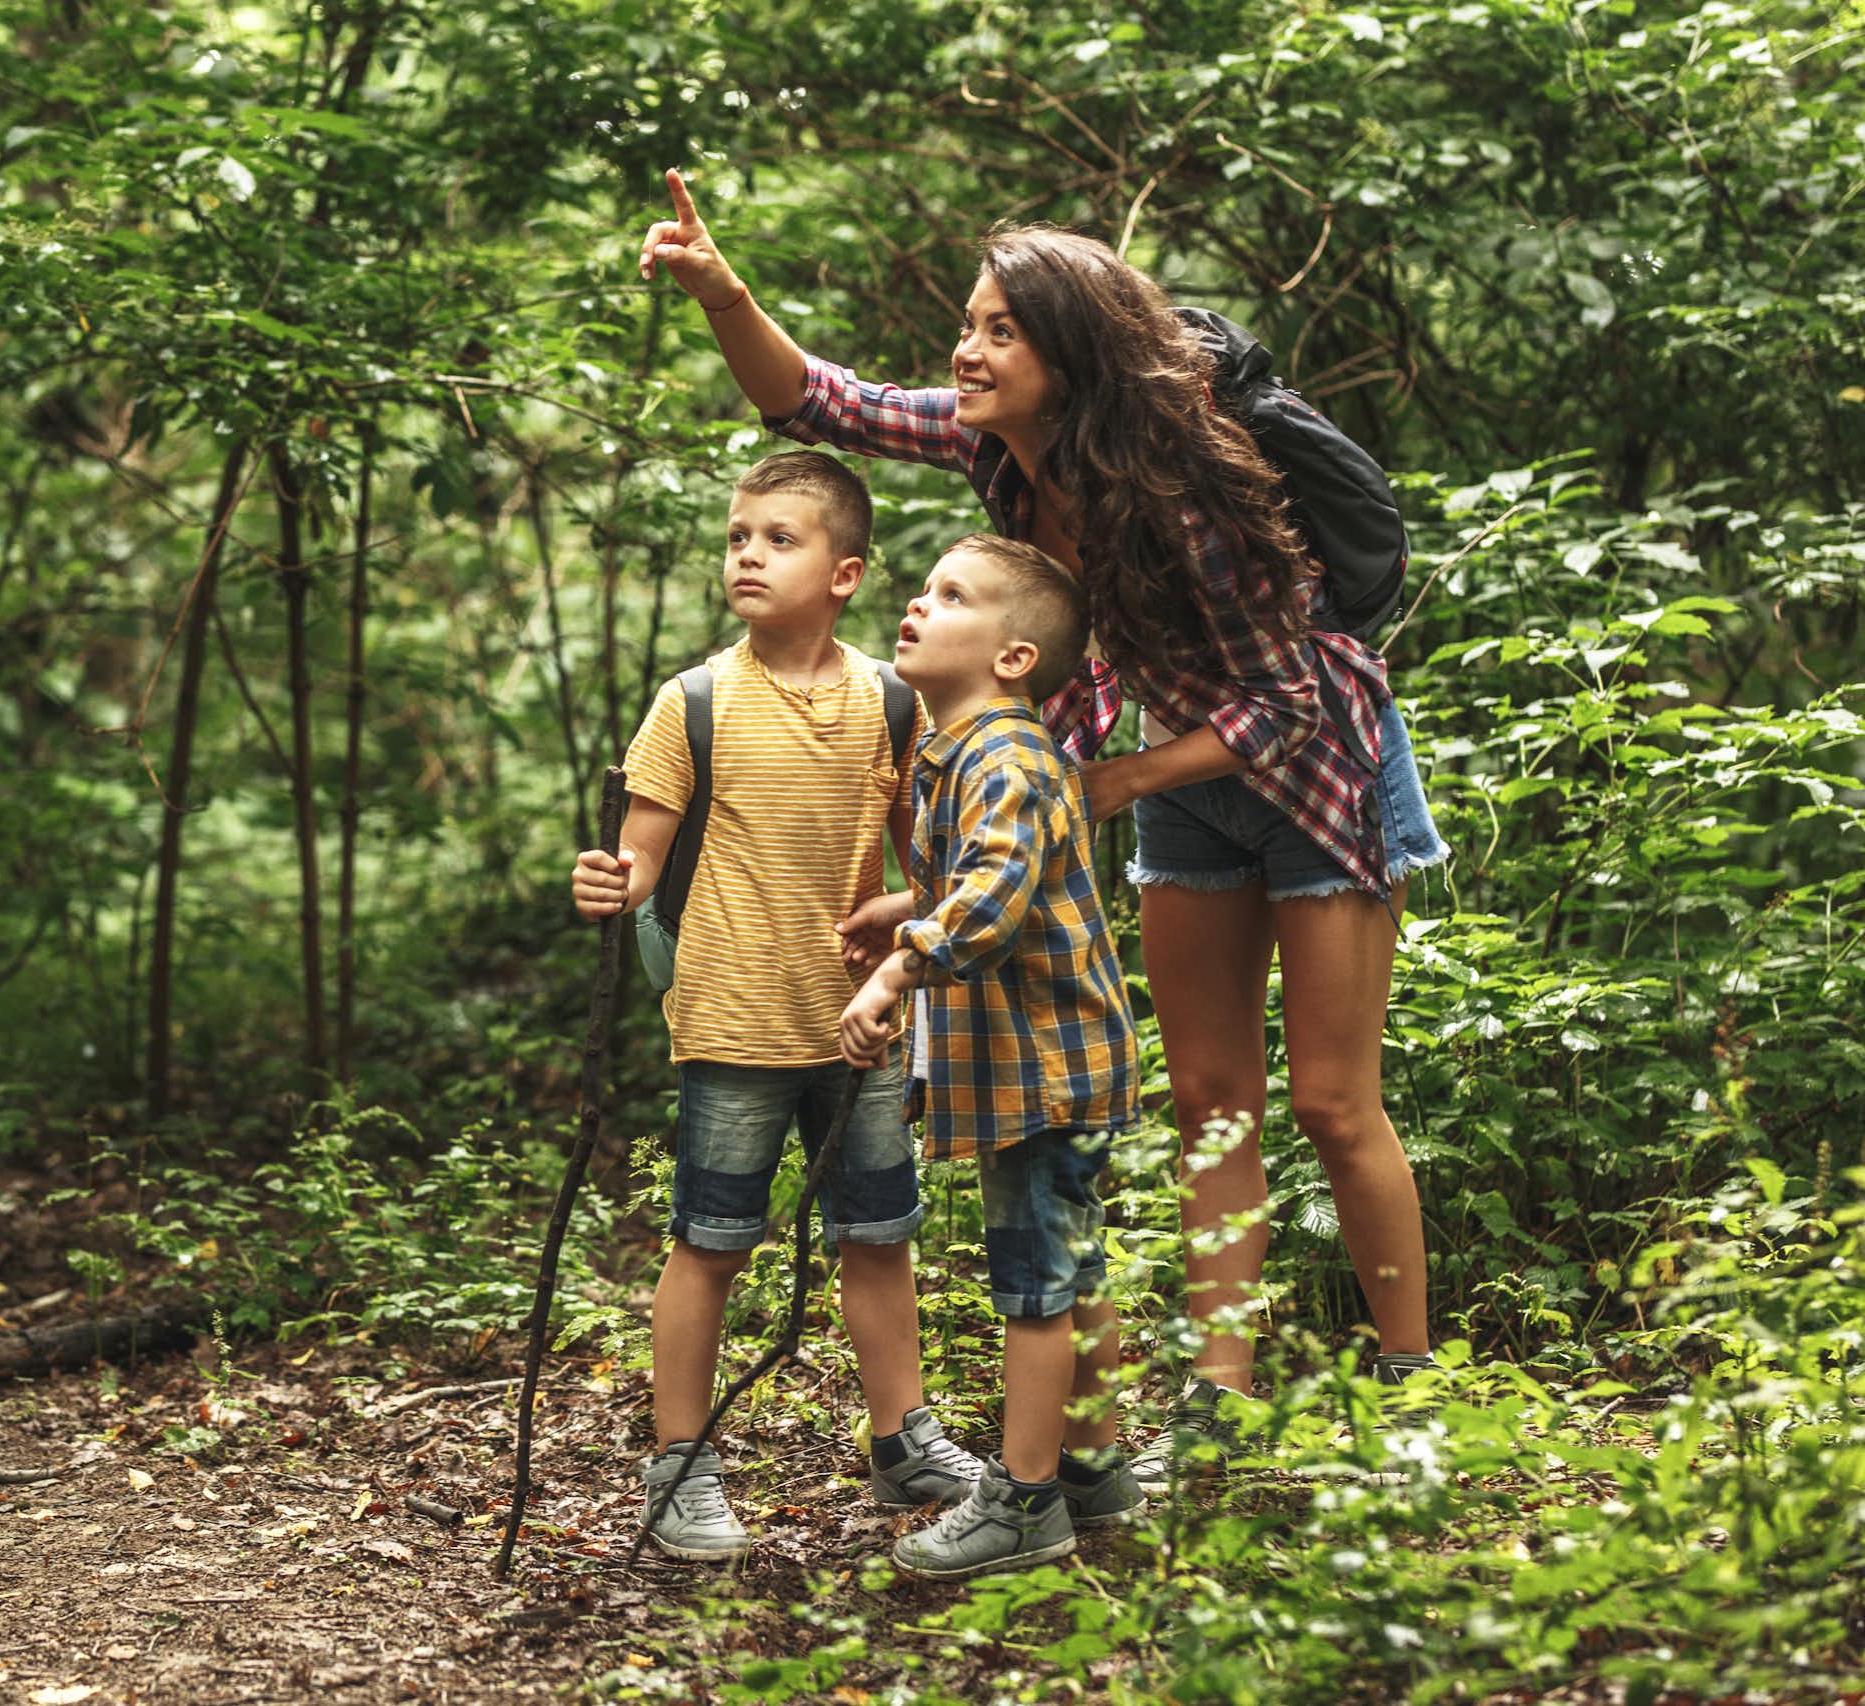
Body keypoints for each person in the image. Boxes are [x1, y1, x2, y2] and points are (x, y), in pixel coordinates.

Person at [643, 169, 1450, 1484]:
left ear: (1067, 354)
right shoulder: (995, 452)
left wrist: (1115, 784)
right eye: (968, 325)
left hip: (1321, 770)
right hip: (1179, 771)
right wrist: (721, 286)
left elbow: (1290, 696)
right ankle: (1222, 1401)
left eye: (1000, 331)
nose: (967, 351)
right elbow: (816, 400)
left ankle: (1417, 1387)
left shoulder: (1183, 489)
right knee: (1208, 1098)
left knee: (1331, 1101)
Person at [569, 450, 981, 1563]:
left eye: (778, 538)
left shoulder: (894, 702)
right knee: (708, 1242)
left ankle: (902, 1438)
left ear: (845, 572)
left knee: (878, 1236)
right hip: (733, 1019)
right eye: (738, 535)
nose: (748, 553)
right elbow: (638, 862)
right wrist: (605, 881)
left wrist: (900, 925)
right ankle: (679, 1462)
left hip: (861, 1025)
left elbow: (933, 870)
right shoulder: (691, 701)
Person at [838, 535, 1143, 1578]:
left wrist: (892, 971)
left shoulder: (1005, 756)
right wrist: (902, 905)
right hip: (1041, 1068)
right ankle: (1091, 1465)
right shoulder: (965, 752)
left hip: (1043, 1072)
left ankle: (1024, 1502)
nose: (918, 605)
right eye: (921, 589)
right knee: (1071, 1268)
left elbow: (988, 901)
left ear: (1013, 655)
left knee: (1034, 1286)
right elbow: (983, 877)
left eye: (951, 595)